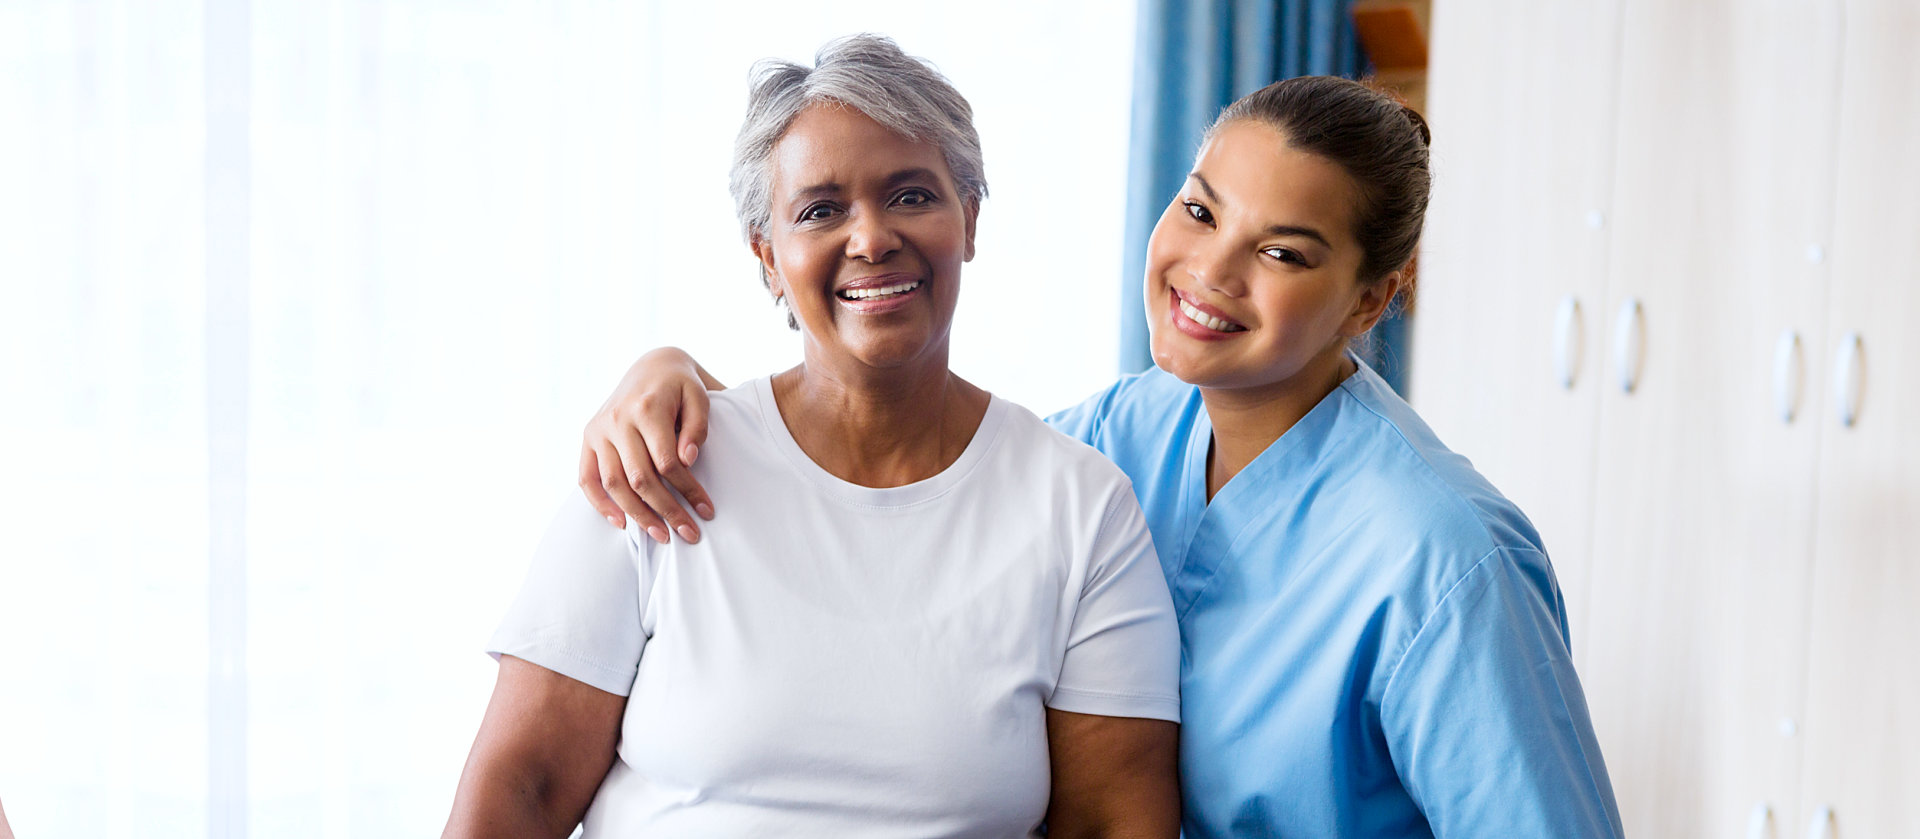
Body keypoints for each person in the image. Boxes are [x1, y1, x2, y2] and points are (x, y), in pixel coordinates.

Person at [579, 76, 1626, 838]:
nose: (1208, 271)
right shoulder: (1125, 435)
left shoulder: (1444, 560)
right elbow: (903, 457)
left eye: (1282, 251)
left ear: (1370, 297)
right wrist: (679, 380)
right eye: (1202, 208)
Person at [445, 35, 1181, 838]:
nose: (870, 239)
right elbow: (523, 785)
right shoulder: (655, 465)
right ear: (769, 257)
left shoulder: (1080, 506)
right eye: (820, 210)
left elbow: (1116, 820)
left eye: (910, 196)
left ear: (968, 218)